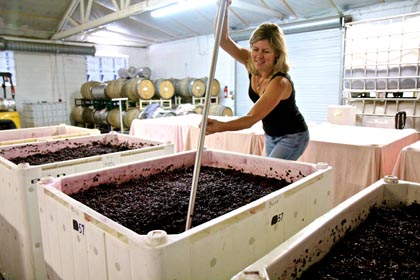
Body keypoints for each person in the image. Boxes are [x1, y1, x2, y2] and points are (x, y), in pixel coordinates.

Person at [202, 0, 309, 160]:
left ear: (277, 54)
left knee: (272, 176)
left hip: (293, 136)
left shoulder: (279, 83)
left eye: (266, 51)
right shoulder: (249, 61)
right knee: (272, 176)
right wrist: (222, 8)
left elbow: (251, 119)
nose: (258, 56)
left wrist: (220, 126)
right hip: (271, 135)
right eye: (255, 49)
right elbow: (222, 40)